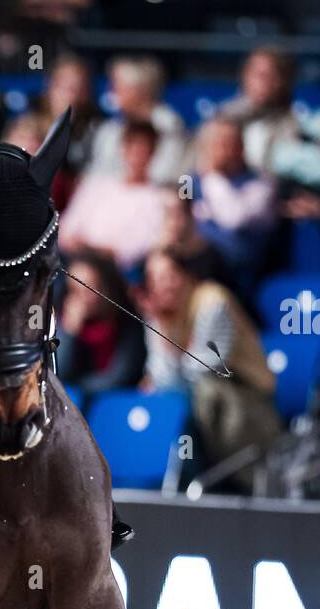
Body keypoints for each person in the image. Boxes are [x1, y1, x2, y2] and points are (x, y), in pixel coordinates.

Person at [139, 248, 281, 489]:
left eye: (169, 275)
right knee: (162, 400)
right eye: (154, 279)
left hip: (245, 399)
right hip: (197, 395)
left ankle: (205, 475)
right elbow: (165, 380)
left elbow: (204, 367)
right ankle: (175, 478)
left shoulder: (213, 300)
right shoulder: (161, 313)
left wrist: (166, 365)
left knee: (204, 392)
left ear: (187, 275)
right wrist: (158, 327)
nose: (164, 286)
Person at [59, 120, 169, 273]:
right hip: (74, 261)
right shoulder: (95, 185)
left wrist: (100, 251)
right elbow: (67, 227)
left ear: (153, 152)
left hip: (114, 273)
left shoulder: (157, 197)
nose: (138, 152)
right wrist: (74, 242)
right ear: (123, 148)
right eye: (132, 145)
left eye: (144, 147)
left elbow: (140, 246)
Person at [190, 116, 277, 306]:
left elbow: (232, 218)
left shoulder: (261, 185)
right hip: (197, 264)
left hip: (237, 273)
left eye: (228, 143)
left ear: (241, 147)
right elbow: (178, 212)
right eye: (214, 143)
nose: (221, 149)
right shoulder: (189, 181)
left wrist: (212, 176)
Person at [57, 250, 146, 395]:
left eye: (89, 288)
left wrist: (81, 389)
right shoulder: (69, 325)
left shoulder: (127, 321)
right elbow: (60, 371)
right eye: (74, 290)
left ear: (106, 288)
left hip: (115, 402)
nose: (82, 298)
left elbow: (121, 376)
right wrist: (69, 332)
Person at [88, 56, 188, 185]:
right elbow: (97, 170)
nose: (110, 91)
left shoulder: (168, 125)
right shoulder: (110, 128)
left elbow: (166, 174)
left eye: (117, 86)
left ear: (139, 90)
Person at [220, 47, 301, 177]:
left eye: (273, 76)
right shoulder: (223, 117)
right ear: (245, 75)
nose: (265, 82)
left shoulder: (295, 123)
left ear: (284, 82)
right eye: (260, 75)